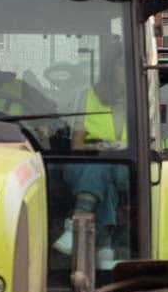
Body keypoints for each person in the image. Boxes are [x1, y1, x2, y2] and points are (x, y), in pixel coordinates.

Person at [55, 51, 129, 269]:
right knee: (102, 174)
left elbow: (148, 139)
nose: (124, 72)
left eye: (128, 66)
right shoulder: (87, 96)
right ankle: (105, 247)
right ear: (110, 69)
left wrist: (125, 145)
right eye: (120, 66)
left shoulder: (141, 99)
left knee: (104, 167)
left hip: (125, 164)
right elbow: (76, 144)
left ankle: (75, 226)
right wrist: (96, 146)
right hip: (85, 162)